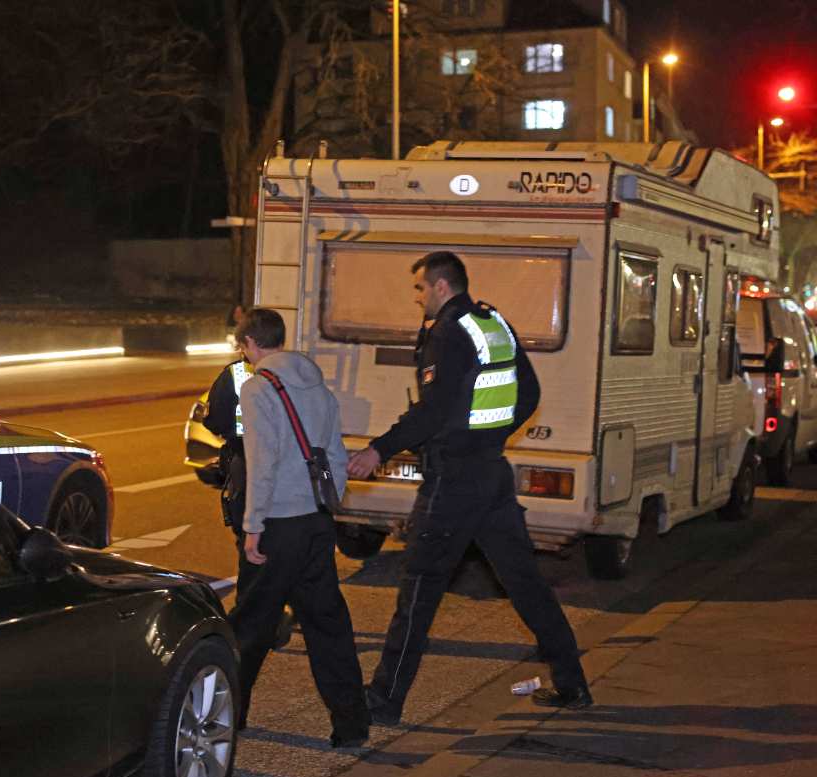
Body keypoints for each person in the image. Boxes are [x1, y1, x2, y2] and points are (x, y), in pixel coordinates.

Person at [347, 250, 591, 725]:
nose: (416, 297)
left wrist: (378, 450)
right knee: (525, 583)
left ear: (441, 287)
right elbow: (530, 392)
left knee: (419, 588)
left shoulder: (448, 333)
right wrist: (493, 435)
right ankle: (572, 683)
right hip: (491, 474)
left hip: (454, 480)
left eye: (420, 288)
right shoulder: (491, 322)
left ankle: (384, 700)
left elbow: (433, 412)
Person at [230, 307, 370, 749]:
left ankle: (228, 718)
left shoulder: (258, 389)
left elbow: (261, 462)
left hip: (278, 524)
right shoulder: (319, 387)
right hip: (315, 523)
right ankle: (351, 725)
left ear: (250, 344)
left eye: (243, 347)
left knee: (249, 628)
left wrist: (254, 526)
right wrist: (327, 506)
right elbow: (336, 455)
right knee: (327, 624)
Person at [203, 354, 295, 650]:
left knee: (251, 545)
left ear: (248, 343)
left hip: (249, 463)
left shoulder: (238, 373)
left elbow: (215, 420)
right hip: (290, 466)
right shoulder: (296, 366)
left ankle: (254, 623)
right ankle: (285, 612)